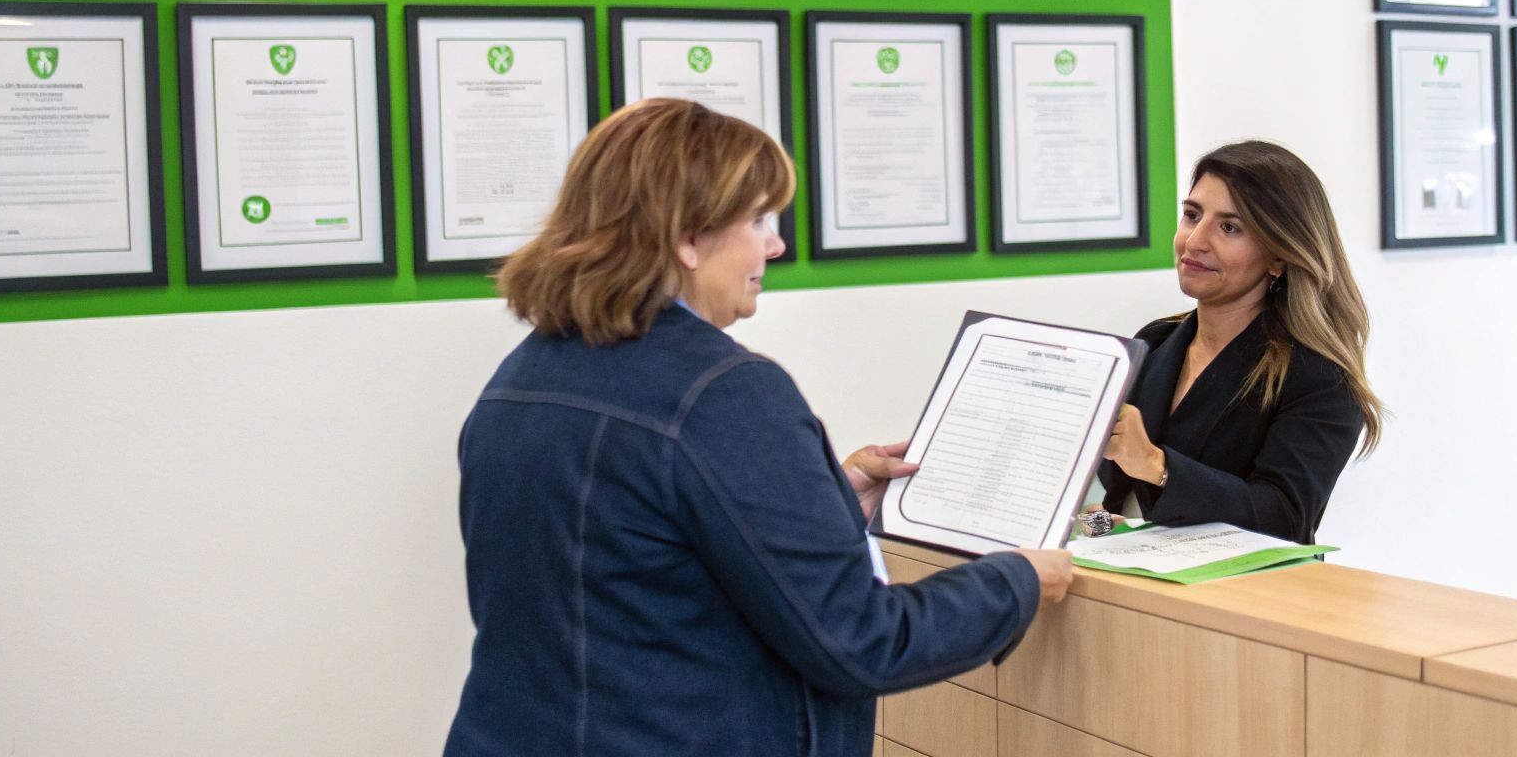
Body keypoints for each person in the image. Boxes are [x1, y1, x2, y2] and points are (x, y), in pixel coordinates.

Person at [443, 98, 1071, 757]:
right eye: (758, 219)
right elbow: (862, 644)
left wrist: (833, 497)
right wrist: (1015, 580)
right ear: (687, 236)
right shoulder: (726, 394)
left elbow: (624, 566)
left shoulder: (522, 379)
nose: (775, 243)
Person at [1096, 140, 1382, 545]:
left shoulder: (1320, 376)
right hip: (1137, 588)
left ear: (1278, 256)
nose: (1194, 240)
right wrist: (1091, 522)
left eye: (1229, 227)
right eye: (1192, 215)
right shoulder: (1154, 343)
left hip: (1245, 598)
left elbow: (1285, 518)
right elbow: (1122, 508)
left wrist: (1158, 465)